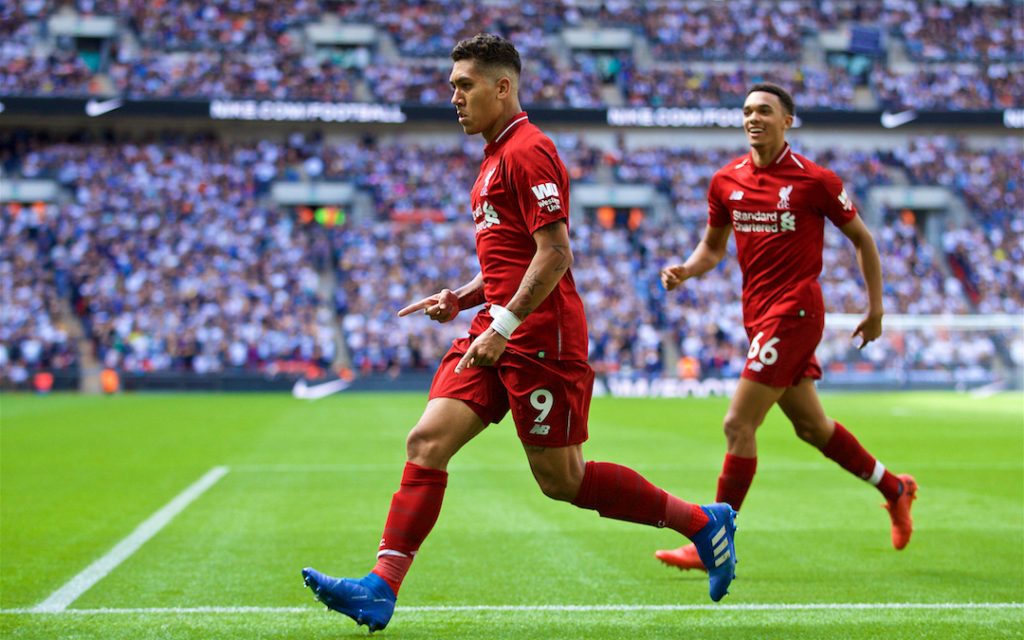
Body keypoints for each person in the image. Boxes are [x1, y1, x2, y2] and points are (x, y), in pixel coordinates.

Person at [301, 34, 738, 632]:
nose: (453, 97)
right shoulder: (492, 158)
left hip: (539, 335)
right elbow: (512, 260)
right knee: (426, 442)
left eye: (464, 85)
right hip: (496, 325)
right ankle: (381, 587)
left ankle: (700, 522)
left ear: (502, 87)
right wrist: (463, 296)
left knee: (563, 480)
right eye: (452, 85)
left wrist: (504, 325)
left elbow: (555, 253)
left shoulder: (529, 150)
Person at [654, 83, 918, 572]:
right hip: (757, 314)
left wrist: (875, 308)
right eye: (748, 111)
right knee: (813, 428)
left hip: (796, 311)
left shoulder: (814, 181)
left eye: (765, 111)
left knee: (738, 424)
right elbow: (712, 248)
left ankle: (713, 540)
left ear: (787, 121)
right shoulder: (725, 181)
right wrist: (686, 270)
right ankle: (895, 488)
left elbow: (863, 239)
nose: (754, 118)